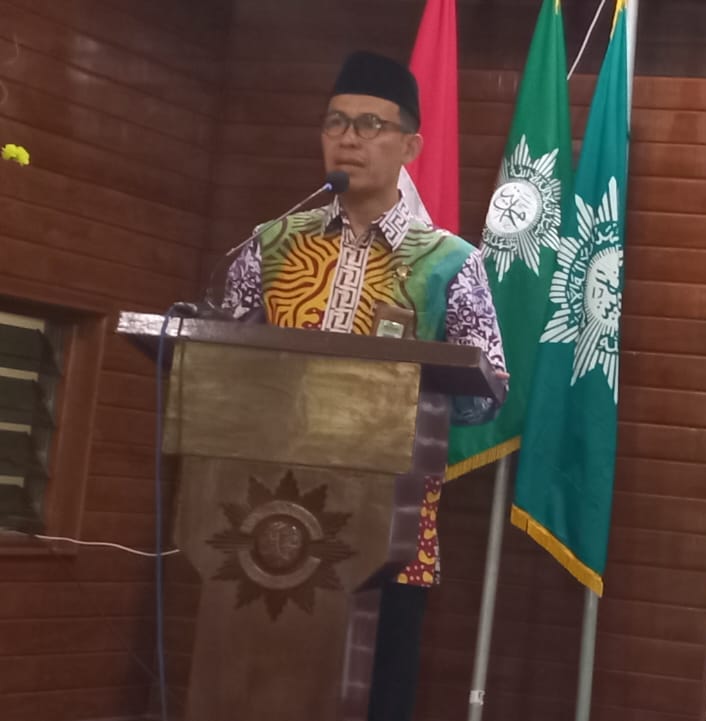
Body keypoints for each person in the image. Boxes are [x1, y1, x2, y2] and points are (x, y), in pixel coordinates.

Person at [221, 50, 507, 721]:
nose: (348, 137)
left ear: (410, 146)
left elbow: (485, 390)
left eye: (370, 125)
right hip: (268, 514)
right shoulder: (271, 245)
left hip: (392, 524)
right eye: (336, 122)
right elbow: (221, 362)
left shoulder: (450, 263)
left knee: (376, 695)